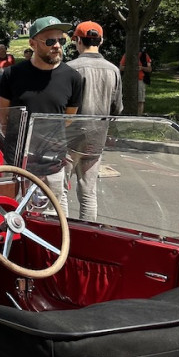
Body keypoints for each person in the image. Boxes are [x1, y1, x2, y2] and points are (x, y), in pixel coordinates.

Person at [0, 16, 84, 212]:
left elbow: (68, 119)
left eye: (61, 40)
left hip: (53, 162)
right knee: (12, 214)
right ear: (32, 43)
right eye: (50, 41)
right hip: (17, 162)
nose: (57, 46)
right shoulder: (12, 75)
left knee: (54, 217)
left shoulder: (73, 78)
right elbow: (4, 116)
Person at [64, 21, 123, 221]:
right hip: (96, 137)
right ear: (101, 41)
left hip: (69, 137)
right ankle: (86, 234)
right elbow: (117, 108)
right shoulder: (113, 69)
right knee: (88, 192)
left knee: (60, 191)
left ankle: (62, 235)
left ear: (78, 41)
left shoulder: (70, 68)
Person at [120, 47, 152, 116]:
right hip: (129, 80)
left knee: (140, 100)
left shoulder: (145, 55)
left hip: (140, 80)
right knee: (127, 99)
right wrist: (130, 68)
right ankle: (127, 115)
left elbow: (149, 69)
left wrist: (142, 68)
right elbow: (121, 67)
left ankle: (139, 116)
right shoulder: (127, 55)